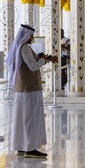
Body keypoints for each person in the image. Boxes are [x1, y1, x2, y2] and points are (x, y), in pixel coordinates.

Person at [7, 24, 57, 158]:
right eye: (31, 35)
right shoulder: (24, 48)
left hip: (23, 88)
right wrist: (43, 60)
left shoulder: (21, 48)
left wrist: (43, 58)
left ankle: (21, 146)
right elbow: (33, 66)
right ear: (26, 35)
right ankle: (30, 148)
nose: (32, 38)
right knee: (30, 118)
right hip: (29, 89)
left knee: (22, 117)